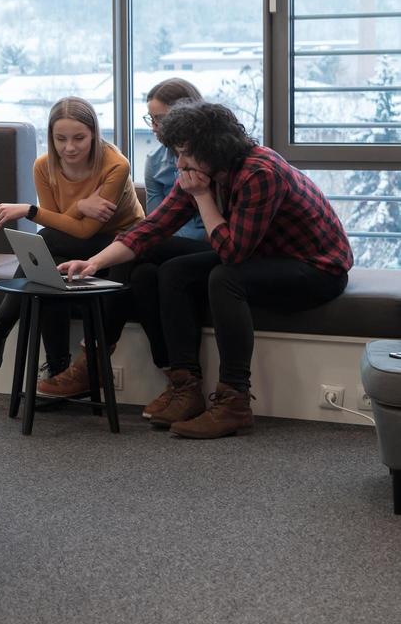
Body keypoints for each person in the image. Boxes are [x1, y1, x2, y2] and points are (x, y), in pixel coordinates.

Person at [60, 101, 352, 439]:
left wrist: (201, 196)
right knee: (160, 263)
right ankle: (182, 384)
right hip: (262, 255)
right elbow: (152, 228)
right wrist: (95, 262)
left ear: (211, 148)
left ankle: (234, 403)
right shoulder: (205, 171)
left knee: (225, 278)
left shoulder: (259, 173)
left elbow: (231, 252)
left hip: (317, 269)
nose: (179, 163)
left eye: (184, 153)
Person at [0, 97, 144, 398]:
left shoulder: (115, 165)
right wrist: (81, 205)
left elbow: (84, 229)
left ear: (94, 134)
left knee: (46, 243)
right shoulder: (43, 166)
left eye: (79, 138)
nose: (69, 147)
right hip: (74, 243)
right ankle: (57, 370)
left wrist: (29, 209)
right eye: (60, 139)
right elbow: (64, 224)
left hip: (119, 245)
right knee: (47, 268)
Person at [128, 78, 213, 423]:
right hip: (172, 245)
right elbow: (157, 221)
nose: (157, 128)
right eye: (152, 120)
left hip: (212, 248)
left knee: (143, 255)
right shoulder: (157, 163)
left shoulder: (212, 156)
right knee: (143, 273)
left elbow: (215, 232)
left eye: (162, 119)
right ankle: (180, 380)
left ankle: (96, 354)